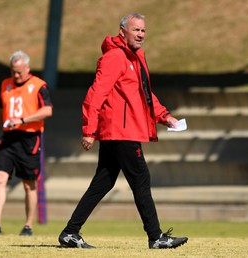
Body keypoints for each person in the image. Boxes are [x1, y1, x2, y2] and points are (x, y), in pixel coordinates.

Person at [58, 13, 188, 249]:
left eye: (143, 30)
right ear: (122, 31)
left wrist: (165, 117)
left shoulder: (136, 57)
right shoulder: (115, 57)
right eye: (136, 30)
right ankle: (156, 237)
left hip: (121, 131)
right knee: (141, 179)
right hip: (121, 131)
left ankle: (70, 232)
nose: (140, 35)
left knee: (103, 182)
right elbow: (95, 94)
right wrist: (89, 129)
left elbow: (144, 95)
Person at [0, 50, 53, 236]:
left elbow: (47, 111)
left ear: (27, 68)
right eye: (13, 71)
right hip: (8, 138)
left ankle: (28, 225)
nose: (16, 75)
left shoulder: (39, 86)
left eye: (20, 71)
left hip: (29, 139)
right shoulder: (5, 85)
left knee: (29, 184)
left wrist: (22, 120)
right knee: (0, 178)